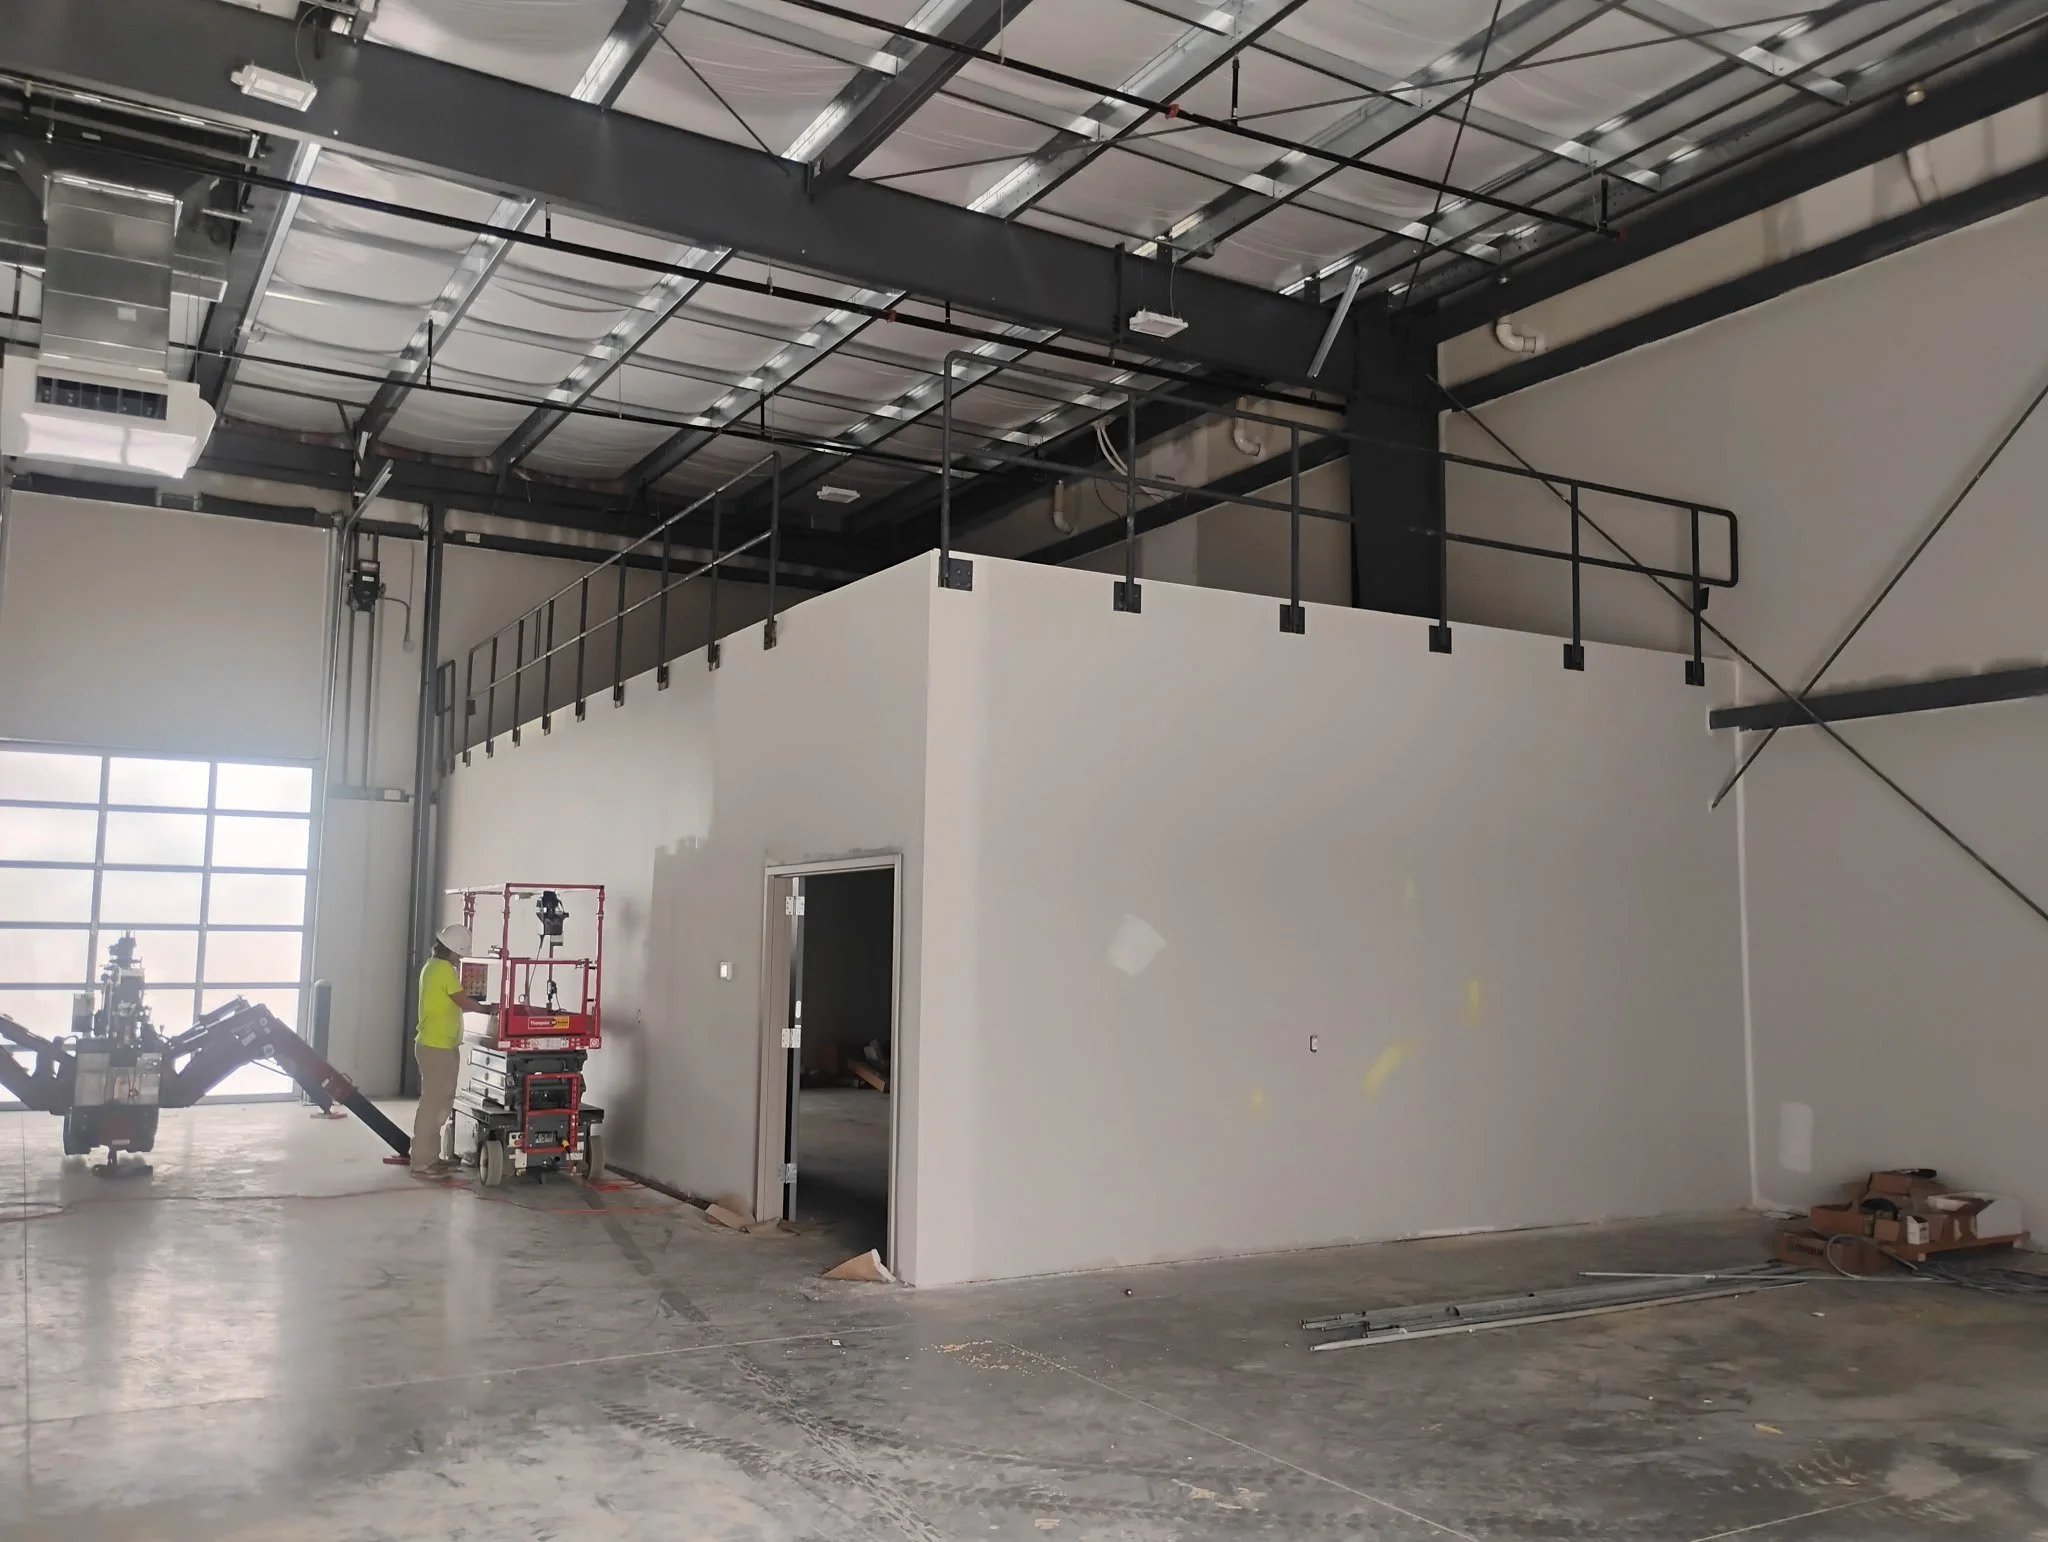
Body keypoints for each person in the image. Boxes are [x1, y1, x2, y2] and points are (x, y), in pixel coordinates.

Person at [412, 923, 498, 1176]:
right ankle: (422, 1161)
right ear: (451, 950)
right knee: (433, 1104)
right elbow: (461, 1000)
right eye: (460, 953)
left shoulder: (433, 967)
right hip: (436, 1047)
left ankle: (430, 1157)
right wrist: (488, 1009)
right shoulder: (443, 970)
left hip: (438, 1045)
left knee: (439, 1102)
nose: (461, 957)